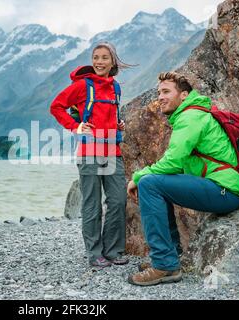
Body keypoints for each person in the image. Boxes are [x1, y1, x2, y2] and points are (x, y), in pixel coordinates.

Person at [127, 72, 239, 286]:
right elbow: (173, 166)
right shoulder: (192, 114)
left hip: (225, 190)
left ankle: (165, 265)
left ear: (184, 95)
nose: (160, 97)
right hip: (223, 189)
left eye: (166, 91)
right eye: (159, 93)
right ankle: (170, 257)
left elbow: (172, 163)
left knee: (149, 182)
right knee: (156, 182)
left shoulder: (190, 117)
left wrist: (137, 176)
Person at [50, 42, 133, 268]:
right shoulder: (82, 86)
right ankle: (94, 253)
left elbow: (106, 116)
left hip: (112, 151)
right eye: (96, 57)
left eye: (104, 57)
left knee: (117, 200)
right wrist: (75, 127)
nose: (99, 61)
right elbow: (56, 106)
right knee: (92, 204)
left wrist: (119, 124)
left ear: (112, 62)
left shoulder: (115, 87)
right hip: (89, 152)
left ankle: (113, 251)